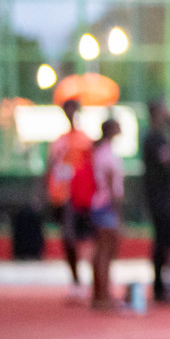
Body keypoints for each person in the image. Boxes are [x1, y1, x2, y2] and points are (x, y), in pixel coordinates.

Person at [45, 98, 96, 301]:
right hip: (62, 196)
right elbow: (51, 168)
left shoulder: (85, 140)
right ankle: (76, 280)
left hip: (83, 197)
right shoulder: (59, 141)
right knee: (68, 237)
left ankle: (94, 280)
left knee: (88, 238)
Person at [141, 100, 170, 301]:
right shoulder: (155, 138)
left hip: (160, 197)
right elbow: (168, 161)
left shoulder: (158, 136)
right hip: (160, 198)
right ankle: (159, 286)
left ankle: (161, 284)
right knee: (162, 241)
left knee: (164, 241)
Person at [90, 118, 125, 308]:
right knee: (106, 250)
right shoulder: (107, 153)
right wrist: (117, 211)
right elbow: (111, 184)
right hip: (106, 205)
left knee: (101, 250)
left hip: (100, 204)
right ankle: (102, 295)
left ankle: (100, 294)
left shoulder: (100, 152)